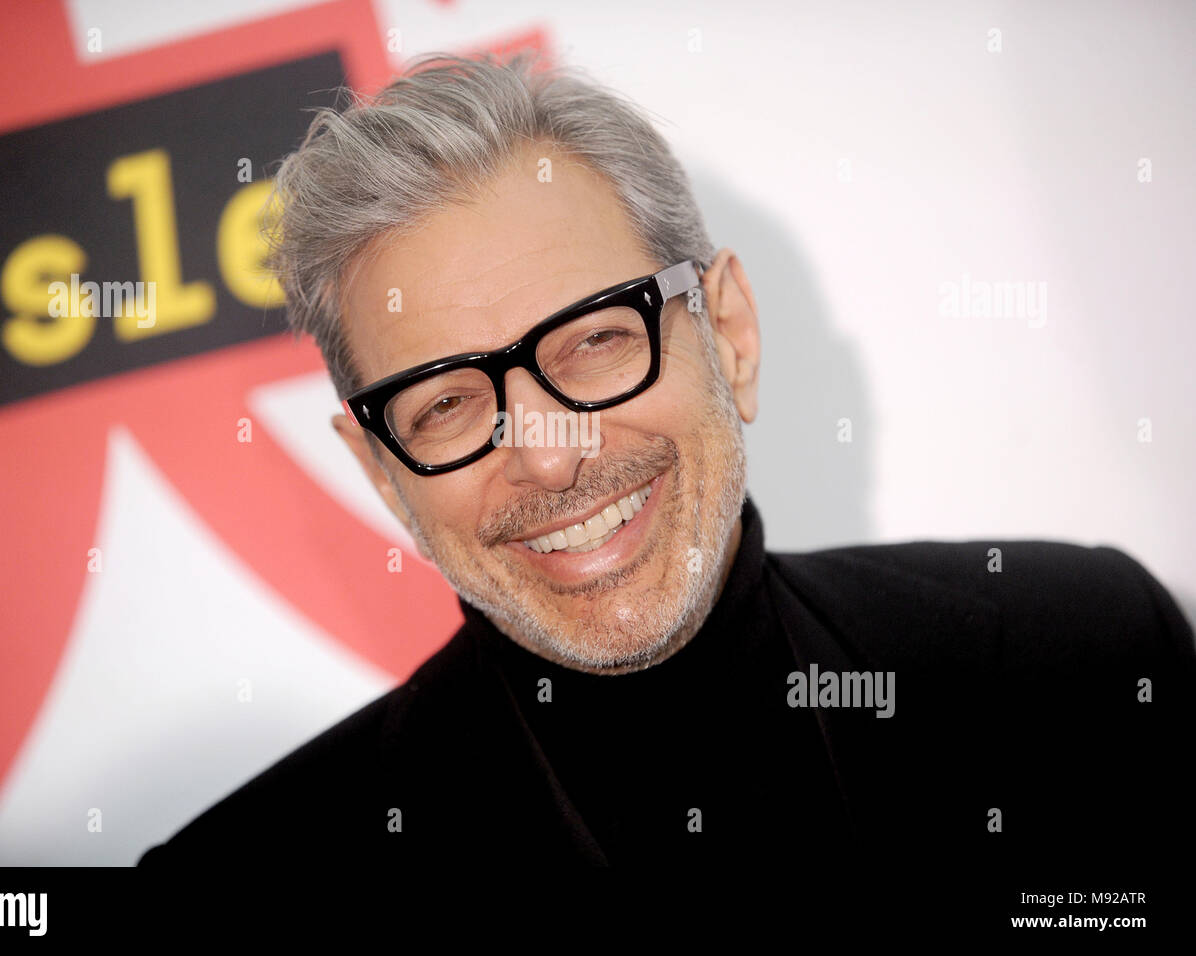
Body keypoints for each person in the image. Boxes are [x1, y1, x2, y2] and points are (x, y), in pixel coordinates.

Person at [139, 52, 1195, 877]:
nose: (548, 461)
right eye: (449, 402)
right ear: (382, 472)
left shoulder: (1082, 660)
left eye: (595, 339)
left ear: (726, 331)